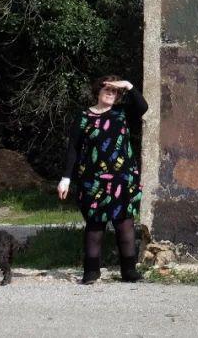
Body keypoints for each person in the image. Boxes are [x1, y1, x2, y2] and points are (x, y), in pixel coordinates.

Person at [58, 75, 148, 284]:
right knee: (95, 225)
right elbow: (73, 148)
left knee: (124, 225)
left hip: (123, 179)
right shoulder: (83, 116)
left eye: (114, 91)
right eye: (107, 89)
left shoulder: (122, 112)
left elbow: (142, 107)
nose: (110, 93)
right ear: (97, 91)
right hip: (92, 181)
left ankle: (129, 271)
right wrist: (66, 178)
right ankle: (91, 271)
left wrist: (128, 85)